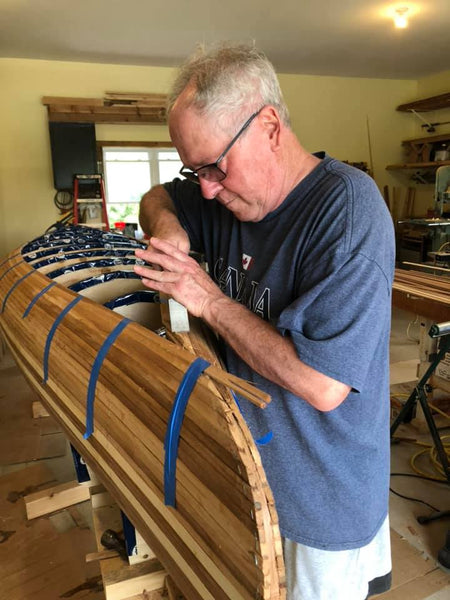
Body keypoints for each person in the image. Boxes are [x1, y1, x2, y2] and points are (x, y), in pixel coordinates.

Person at [134, 42, 395, 600]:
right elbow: (157, 195)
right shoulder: (222, 196)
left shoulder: (347, 212)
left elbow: (322, 385)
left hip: (322, 504)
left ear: (270, 126)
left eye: (214, 166)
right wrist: (169, 228)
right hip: (250, 481)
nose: (205, 186)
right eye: (194, 169)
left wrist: (206, 298)